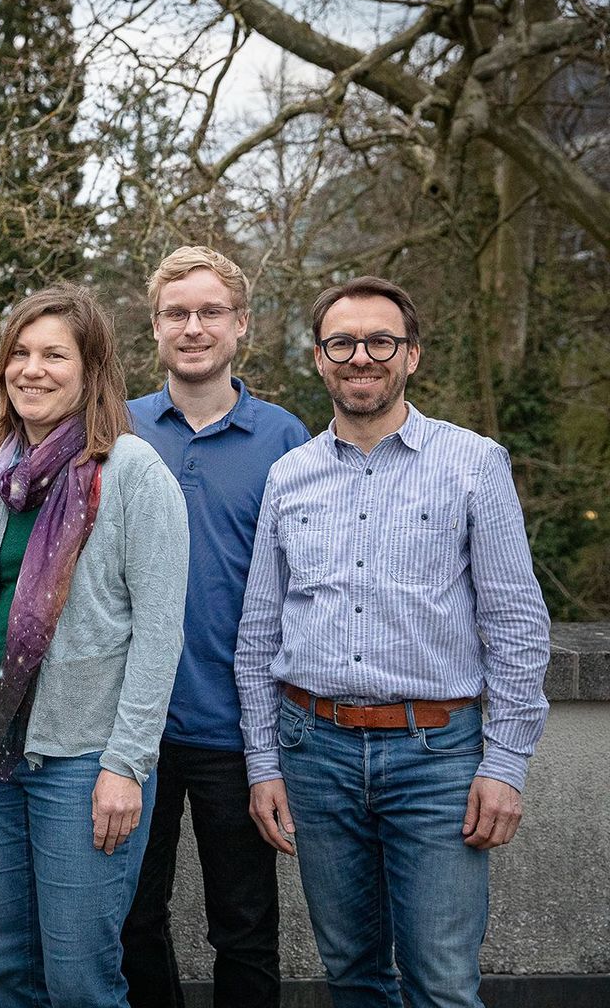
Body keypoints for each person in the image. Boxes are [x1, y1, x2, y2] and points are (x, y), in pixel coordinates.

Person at [235, 276, 551, 1008]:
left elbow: (516, 622)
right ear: (319, 358)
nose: (361, 357)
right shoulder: (289, 477)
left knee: (442, 980)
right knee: (351, 973)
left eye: (381, 341)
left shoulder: (473, 463)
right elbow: (258, 636)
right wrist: (263, 764)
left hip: (437, 757)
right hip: (313, 754)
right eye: (341, 342)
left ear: (411, 354)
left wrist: (504, 762)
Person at [0, 283, 189, 1008]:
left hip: (83, 766)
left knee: (80, 981)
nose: (32, 369)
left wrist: (126, 765)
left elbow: (160, 632)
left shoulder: (133, 474)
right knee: (10, 973)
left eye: (55, 355)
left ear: (91, 371)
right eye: (20, 353)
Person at [121, 247, 310, 1007]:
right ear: (156, 327)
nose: (192, 327)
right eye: (176, 314)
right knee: (132, 921)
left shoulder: (284, 439)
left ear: (241, 326)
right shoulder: (116, 428)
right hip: (131, 729)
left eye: (209, 313)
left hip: (240, 730)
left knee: (245, 927)